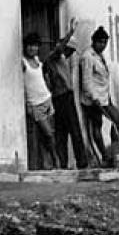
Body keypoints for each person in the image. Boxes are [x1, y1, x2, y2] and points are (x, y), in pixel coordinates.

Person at [43, 18, 91, 169]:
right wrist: (71, 31)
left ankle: (66, 162)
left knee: (64, 132)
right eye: (69, 50)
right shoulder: (55, 57)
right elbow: (60, 48)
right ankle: (79, 162)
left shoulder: (61, 59)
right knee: (70, 131)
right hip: (62, 96)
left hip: (63, 96)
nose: (70, 54)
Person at [80, 26, 119, 166]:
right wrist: (94, 98)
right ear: (93, 41)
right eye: (100, 42)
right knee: (97, 126)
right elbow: (86, 80)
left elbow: (103, 79)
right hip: (93, 100)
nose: (102, 45)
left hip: (104, 97)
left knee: (117, 119)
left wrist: (107, 97)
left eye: (105, 42)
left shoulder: (100, 55)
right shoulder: (88, 56)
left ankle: (114, 151)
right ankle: (104, 156)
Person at [23, 32, 62, 170]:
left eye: (34, 46)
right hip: (35, 103)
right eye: (29, 46)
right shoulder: (23, 63)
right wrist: (28, 104)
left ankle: (48, 162)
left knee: (50, 132)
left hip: (47, 99)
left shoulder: (38, 61)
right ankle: (54, 158)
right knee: (48, 133)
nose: (32, 49)